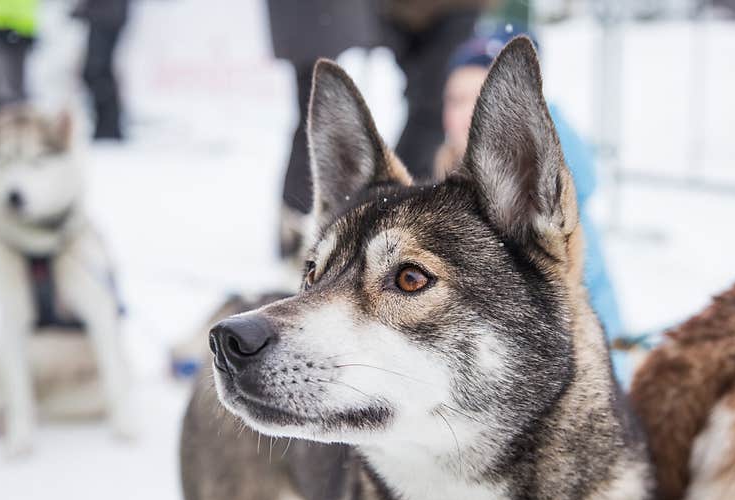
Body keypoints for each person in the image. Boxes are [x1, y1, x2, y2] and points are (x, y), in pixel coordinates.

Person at [438, 25, 631, 385]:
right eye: (455, 99)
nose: (465, 114)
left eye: (479, 100)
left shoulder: (547, 210)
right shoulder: (443, 184)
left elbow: (590, 310)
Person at [267, 0, 490, 266]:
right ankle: (301, 225)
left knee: (430, 107)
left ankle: (409, 218)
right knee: (325, 109)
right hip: (383, 11)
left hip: (451, 9)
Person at [71, 0, 130, 140]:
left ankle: (108, 127)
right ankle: (106, 126)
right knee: (97, 72)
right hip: (105, 14)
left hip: (106, 15)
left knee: (97, 72)